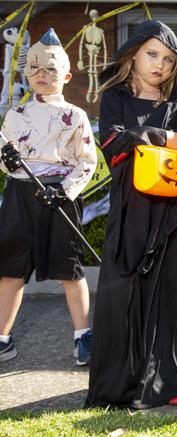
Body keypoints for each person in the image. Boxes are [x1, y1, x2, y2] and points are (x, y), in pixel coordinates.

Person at [85, 20, 177, 409]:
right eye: (153, 54)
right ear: (134, 53)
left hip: (170, 213)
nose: (161, 65)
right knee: (122, 290)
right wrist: (163, 137)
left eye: (169, 59)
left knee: (167, 294)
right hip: (131, 210)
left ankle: (165, 383)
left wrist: (156, 138)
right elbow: (112, 143)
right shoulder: (115, 97)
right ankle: (118, 385)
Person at [0, 28, 96, 366]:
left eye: (51, 69)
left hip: (58, 195)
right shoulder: (14, 116)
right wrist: (5, 158)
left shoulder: (77, 116)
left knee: (69, 269)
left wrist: (65, 190)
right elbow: (4, 151)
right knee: (10, 269)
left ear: (66, 75)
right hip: (21, 195)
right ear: (27, 73)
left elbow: (87, 161)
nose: (42, 75)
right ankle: (2, 338)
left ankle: (83, 336)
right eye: (36, 69)